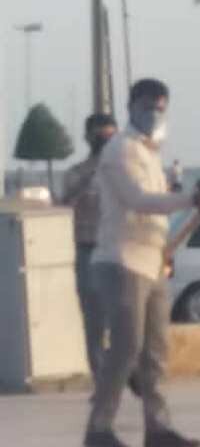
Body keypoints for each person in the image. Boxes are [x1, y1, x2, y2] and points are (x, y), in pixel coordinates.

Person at [84, 78, 200, 447]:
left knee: (156, 349)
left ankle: (157, 428)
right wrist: (191, 198)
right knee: (126, 346)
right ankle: (99, 425)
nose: (153, 113)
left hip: (153, 261)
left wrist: (192, 208)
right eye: (146, 105)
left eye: (160, 107)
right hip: (120, 261)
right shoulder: (120, 150)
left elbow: (159, 209)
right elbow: (140, 201)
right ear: (131, 106)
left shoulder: (152, 153)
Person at [60, 113, 117, 381]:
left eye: (109, 137)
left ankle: (124, 372)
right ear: (88, 138)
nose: (105, 143)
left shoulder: (124, 170)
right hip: (88, 251)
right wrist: (94, 171)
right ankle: (101, 379)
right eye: (100, 137)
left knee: (124, 318)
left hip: (118, 250)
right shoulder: (77, 172)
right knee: (94, 320)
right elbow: (65, 204)